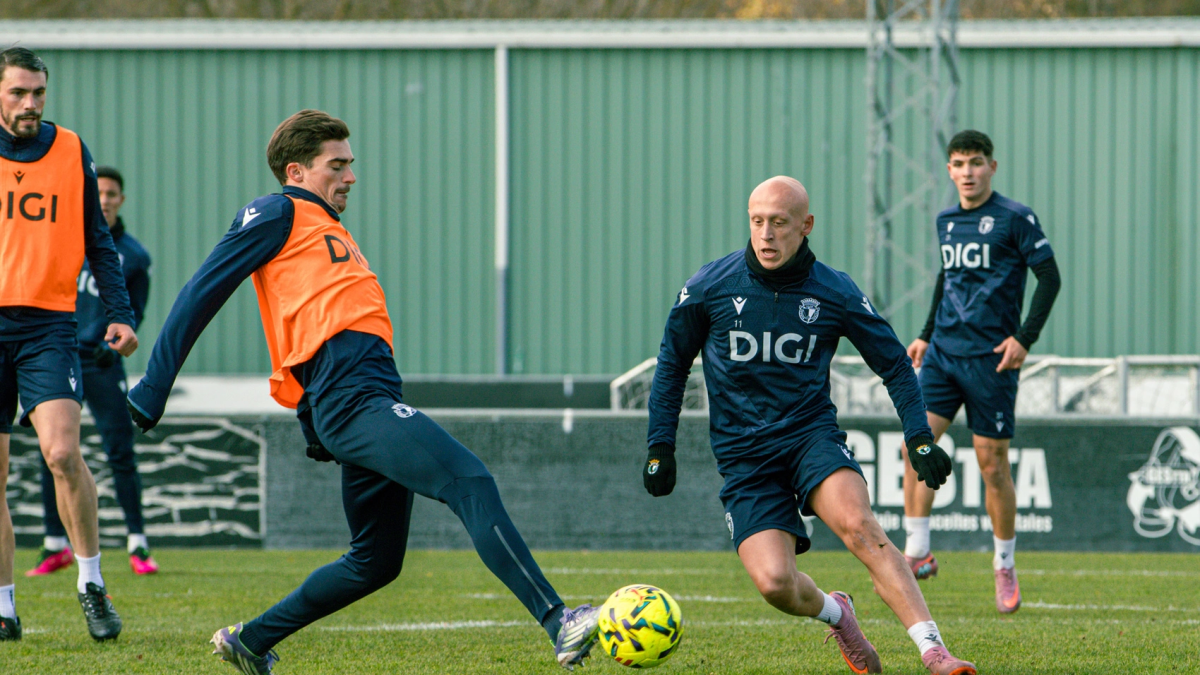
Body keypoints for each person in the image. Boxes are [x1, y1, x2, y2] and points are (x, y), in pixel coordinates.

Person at [126, 109, 600, 674]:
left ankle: (250, 641)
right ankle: (559, 621)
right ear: (296, 172)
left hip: (364, 395)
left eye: (350, 164)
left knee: (375, 561)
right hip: (354, 400)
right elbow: (201, 290)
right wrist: (153, 386)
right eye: (337, 165)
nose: (350, 176)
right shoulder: (277, 211)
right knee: (469, 480)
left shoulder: (324, 226)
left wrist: (320, 414)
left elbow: (315, 324)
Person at [645, 176, 975, 675]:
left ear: (806, 226)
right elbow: (671, 365)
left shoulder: (834, 291)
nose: (766, 234)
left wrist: (920, 437)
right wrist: (660, 446)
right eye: (757, 221)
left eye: (779, 222)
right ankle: (838, 613)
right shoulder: (710, 287)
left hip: (810, 438)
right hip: (744, 458)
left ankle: (935, 652)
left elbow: (894, 364)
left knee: (860, 527)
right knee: (775, 583)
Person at [0, 47, 137, 642]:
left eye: (38, 92)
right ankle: (4, 607)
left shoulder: (70, 148)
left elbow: (97, 240)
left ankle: (91, 582)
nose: (30, 103)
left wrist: (120, 314)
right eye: (18, 92)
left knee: (60, 452)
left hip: (48, 327)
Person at [901, 130, 1061, 614]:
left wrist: (1024, 338)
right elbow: (946, 279)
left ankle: (1004, 563)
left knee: (992, 464)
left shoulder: (1015, 217)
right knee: (917, 445)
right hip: (943, 355)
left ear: (992, 166)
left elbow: (1049, 277)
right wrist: (926, 334)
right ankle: (918, 552)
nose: (967, 172)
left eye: (975, 162)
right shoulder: (946, 220)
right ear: (949, 170)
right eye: (958, 163)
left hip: (992, 360)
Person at [28, 166, 157, 578]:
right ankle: (55, 543)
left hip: (101, 363)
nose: (104, 200)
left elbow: (134, 313)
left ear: (121, 200)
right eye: (98, 192)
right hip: (58, 357)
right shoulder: (66, 240)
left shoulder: (134, 256)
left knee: (120, 450)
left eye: (111, 193)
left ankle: (137, 542)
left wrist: (111, 347)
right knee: (54, 450)